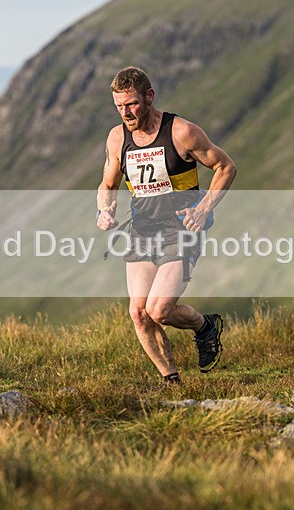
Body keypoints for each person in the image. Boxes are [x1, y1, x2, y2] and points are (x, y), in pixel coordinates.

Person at [96, 66, 236, 385]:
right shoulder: (118, 138)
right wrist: (103, 210)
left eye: (132, 104)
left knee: (158, 310)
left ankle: (204, 327)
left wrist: (203, 208)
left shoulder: (181, 132)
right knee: (138, 313)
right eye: (119, 106)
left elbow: (226, 167)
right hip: (142, 230)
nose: (126, 113)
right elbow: (107, 184)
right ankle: (171, 382)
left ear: (149, 97)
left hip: (180, 230)